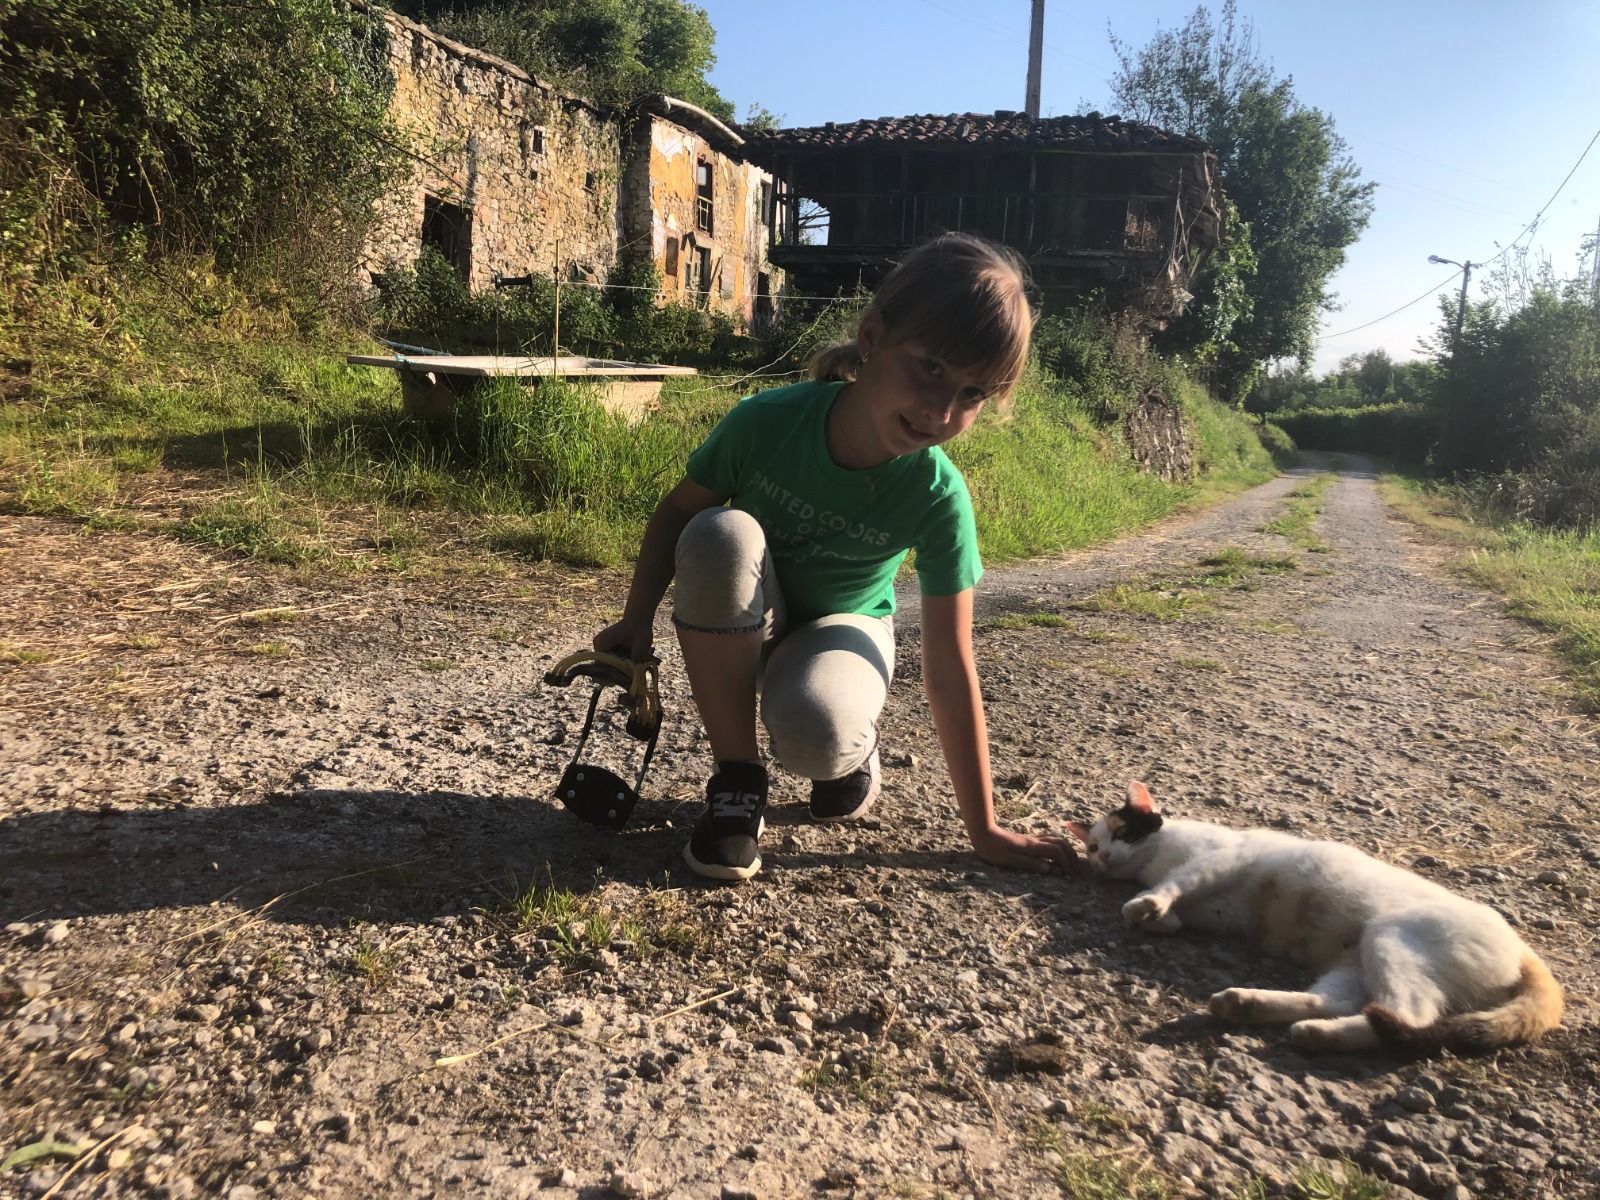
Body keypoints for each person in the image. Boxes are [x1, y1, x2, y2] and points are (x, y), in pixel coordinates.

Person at [594, 232, 1078, 881]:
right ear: (873, 336)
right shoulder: (767, 422)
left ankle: (854, 753)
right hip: (751, 620)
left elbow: (950, 669)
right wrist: (635, 619)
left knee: (815, 732)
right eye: (930, 367)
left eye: (972, 394)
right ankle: (738, 787)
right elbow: (679, 512)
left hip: (847, 631)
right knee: (719, 532)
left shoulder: (939, 497)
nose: (940, 411)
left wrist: (984, 829)